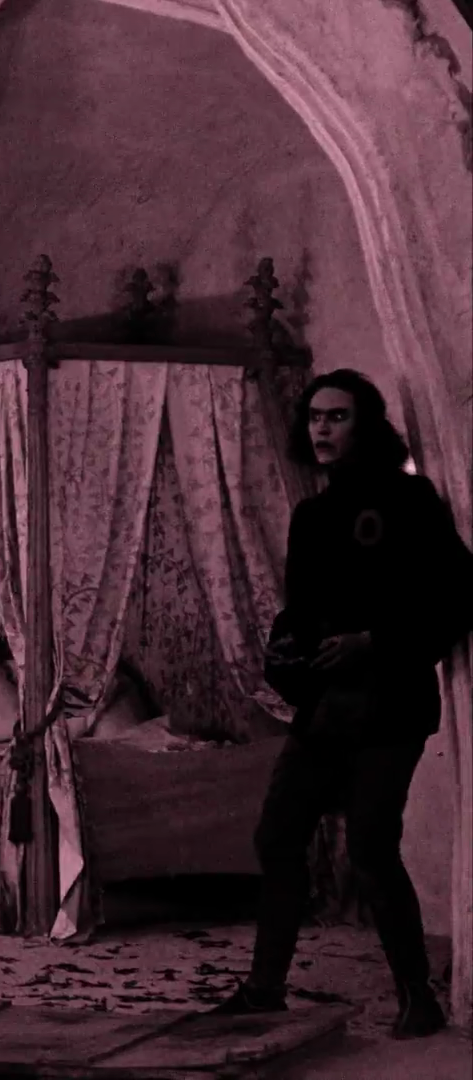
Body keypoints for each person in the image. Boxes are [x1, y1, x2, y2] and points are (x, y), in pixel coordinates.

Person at [216, 368, 473, 1038]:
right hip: (326, 707)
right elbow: (301, 611)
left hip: (392, 705)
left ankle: (418, 998)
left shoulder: (411, 500)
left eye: (338, 416)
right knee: (277, 836)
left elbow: (456, 597)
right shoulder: (313, 515)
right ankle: (264, 990)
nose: (323, 429)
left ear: (368, 425)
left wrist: (374, 641)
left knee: (370, 847)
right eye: (315, 417)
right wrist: (288, 653)